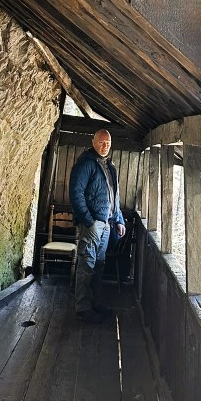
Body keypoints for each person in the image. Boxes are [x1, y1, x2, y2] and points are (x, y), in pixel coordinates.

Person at [68, 129, 126, 322]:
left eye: (108, 142)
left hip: (107, 224)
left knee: (99, 265)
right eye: (101, 142)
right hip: (92, 224)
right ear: (93, 142)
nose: (105, 145)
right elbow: (76, 194)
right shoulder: (86, 164)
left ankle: (95, 303)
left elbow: (113, 197)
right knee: (86, 264)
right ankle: (82, 307)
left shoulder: (110, 166)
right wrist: (89, 221)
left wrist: (119, 219)